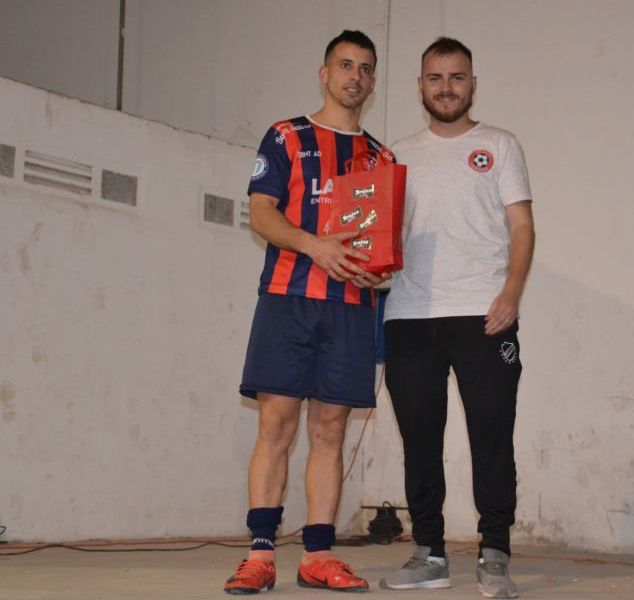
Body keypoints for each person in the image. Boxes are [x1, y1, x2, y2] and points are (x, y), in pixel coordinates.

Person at [223, 29, 393, 595]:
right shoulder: (285, 136)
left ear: (373, 80)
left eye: (366, 69)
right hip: (287, 298)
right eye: (346, 65)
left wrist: (380, 270)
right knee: (276, 423)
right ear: (325, 73)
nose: (356, 77)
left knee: (330, 428)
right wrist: (314, 245)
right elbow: (262, 217)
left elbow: (384, 244)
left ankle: (318, 554)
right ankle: (261, 553)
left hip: (349, 308)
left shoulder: (381, 157)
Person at [380, 37, 535, 599]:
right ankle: (429, 552)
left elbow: (521, 227)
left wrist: (511, 292)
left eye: (457, 77)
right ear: (420, 85)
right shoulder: (395, 154)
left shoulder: (500, 145)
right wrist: (375, 269)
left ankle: (495, 552)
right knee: (420, 439)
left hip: (484, 314)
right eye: (435, 78)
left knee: (491, 436)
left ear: (472, 84)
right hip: (409, 314)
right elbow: (384, 233)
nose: (446, 87)